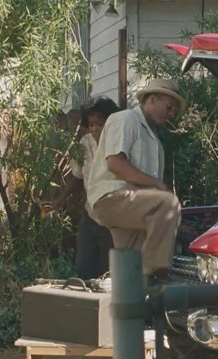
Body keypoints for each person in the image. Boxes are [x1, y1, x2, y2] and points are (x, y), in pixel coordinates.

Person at [85, 79, 184, 284]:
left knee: (129, 266)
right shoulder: (125, 118)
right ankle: (156, 276)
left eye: (174, 110)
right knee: (167, 203)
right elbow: (115, 164)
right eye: (169, 107)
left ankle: (132, 299)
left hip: (134, 206)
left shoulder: (156, 144)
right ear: (152, 99)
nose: (171, 114)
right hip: (111, 197)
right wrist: (157, 185)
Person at [52, 97, 121, 279]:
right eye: (91, 124)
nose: (95, 129)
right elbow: (77, 175)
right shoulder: (85, 143)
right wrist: (60, 200)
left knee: (107, 271)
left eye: (99, 124)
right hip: (90, 214)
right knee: (83, 267)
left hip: (113, 219)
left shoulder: (118, 143)